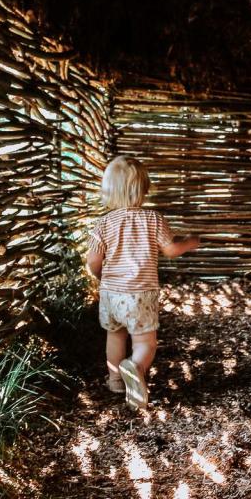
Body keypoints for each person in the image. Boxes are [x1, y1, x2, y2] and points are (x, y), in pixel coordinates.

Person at [86, 156, 199, 410]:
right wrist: (192, 241)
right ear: (143, 189)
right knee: (144, 342)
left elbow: (93, 260)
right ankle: (135, 367)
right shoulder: (153, 219)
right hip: (140, 295)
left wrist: (101, 277)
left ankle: (115, 380)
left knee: (114, 337)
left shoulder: (103, 224)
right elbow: (170, 250)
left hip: (111, 294)